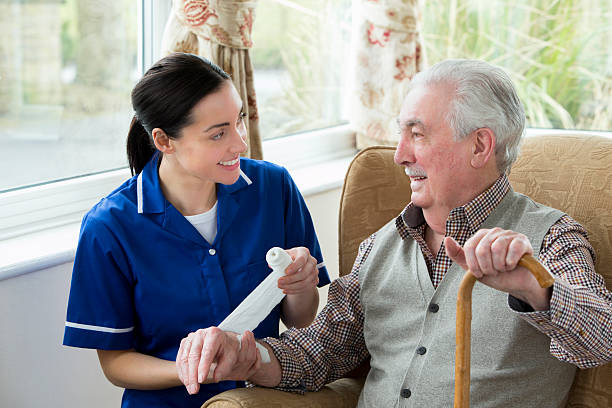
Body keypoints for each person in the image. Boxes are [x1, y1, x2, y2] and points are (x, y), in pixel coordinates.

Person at [175, 59, 612, 407]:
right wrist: (246, 356)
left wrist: (536, 289)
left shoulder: (551, 237)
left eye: (417, 135)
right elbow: (320, 351)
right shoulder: (380, 246)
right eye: (400, 134)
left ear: (480, 146)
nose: (400, 155)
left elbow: (601, 338)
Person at [62, 52, 331, 408]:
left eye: (239, 121)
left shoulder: (274, 188)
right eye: (218, 134)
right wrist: (198, 369)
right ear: (163, 141)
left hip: (262, 401)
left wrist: (300, 285)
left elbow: (300, 318)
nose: (240, 143)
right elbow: (116, 364)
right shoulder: (108, 228)